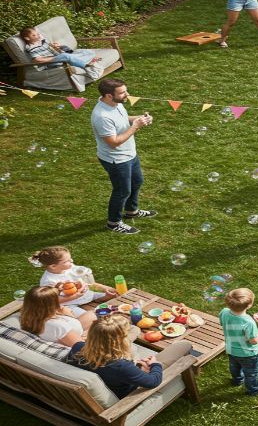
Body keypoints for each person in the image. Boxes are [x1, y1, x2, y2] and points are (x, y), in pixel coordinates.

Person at [68, 313, 192, 399]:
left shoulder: (78, 347)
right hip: (128, 388)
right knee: (184, 345)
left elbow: (108, 369)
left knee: (135, 329)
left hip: (118, 374)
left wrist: (134, 365)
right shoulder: (121, 367)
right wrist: (155, 365)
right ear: (119, 341)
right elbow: (154, 381)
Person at [91, 78, 157, 234]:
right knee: (122, 191)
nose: (127, 95)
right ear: (108, 95)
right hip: (116, 160)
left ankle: (131, 211)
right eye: (122, 92)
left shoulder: (115, 103)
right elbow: (113, 142)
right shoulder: (101, 116)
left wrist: (139, 118)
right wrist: (135, 127)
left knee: (137, 181)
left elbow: (122, 120)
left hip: (129, 154)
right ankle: (113, 223)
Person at [31, 246, 117, 319]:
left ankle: (101, 297)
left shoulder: (69, 267)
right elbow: (53, 300)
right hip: (69, 304)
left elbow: (85, 278)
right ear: (53, 266)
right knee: (90, 317)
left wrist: (104, 288)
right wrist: (75, 296)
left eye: (70, 258)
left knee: (113, 296)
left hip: (86, 294)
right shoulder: (49, 281)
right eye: (67, 261)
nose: (71, 261)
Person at [219, 288, 258, 395]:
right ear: (249, 305)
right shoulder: (248, 322)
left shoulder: (224, 312)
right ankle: (254, 390)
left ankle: (237, 380)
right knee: (251, 373)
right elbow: (254, 341)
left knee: (234, 367)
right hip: (248, 354)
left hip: (231, 349)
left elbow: (222, 323)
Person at [19, 26, 103, 79]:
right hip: (52, 62)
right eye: (34, 35)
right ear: (27, 38)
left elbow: (57, 49)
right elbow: (36, 60)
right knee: (66, 56)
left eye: (37, 34)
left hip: (61, 56)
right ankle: (87, 66)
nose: (37, 36)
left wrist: (57, 47)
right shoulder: (31, 48)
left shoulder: (42, 41)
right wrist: (55, 58)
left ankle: (79, 61)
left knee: (88, 52)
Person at [20, 286, 87, 346]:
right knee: (94, 320)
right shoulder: (59, 327)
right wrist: (70, 315)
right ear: (52, 305)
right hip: (79, 336)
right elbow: (81, 347)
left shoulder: (29, 317)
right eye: (58, 299)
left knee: (91, 315)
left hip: (70, 331)